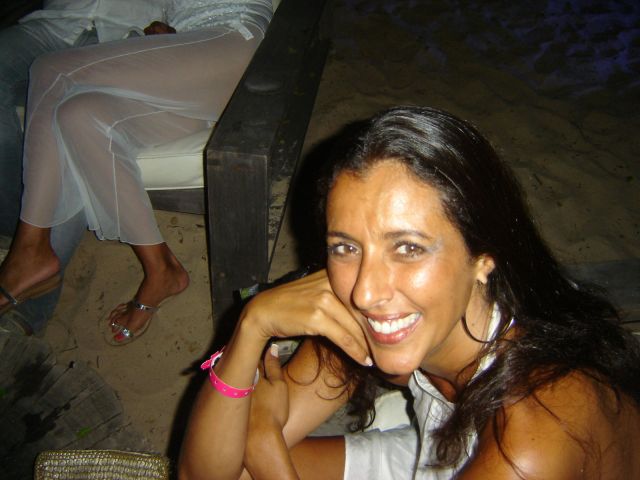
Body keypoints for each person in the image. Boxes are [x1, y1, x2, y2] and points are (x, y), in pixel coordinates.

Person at [178, 106, 640, 479]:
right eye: (346, 247)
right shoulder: (372, 317)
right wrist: (252, 325)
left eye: (408, 248)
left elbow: (257, 445)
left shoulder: (536, 437)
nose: (366, 292)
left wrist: (265, 441)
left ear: (484, 256)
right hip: (441, 450)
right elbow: (203, 475)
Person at [0, 0, 274, 344]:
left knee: (52, 70)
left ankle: (30, 248)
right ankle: (162, 268)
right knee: (78, 115)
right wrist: (167, 28)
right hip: (192, 62)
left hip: (232, 39)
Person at [0, 0, 168, 334]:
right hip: (57, 21)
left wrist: (181, 32)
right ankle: (16, 229)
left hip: (127, 34)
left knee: (73, 118)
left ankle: (26, 312)